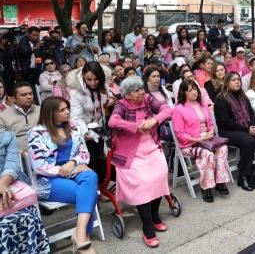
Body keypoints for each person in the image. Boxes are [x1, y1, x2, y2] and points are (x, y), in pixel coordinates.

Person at [28, 97, 99, 253]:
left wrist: (73, 162)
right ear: (50, 113)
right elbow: (39, 166)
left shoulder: (73, 128)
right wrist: (69, 169)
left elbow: (84, 154)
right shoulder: (36, 133)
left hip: (73, 171)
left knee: (91, 176)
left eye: (67, 108)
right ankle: (84, 238)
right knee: (89, 192)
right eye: (62, 110)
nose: (67, 111)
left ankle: (79, 235)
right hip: (49, 179)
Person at [109, 76, 173, 248]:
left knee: (160, 176)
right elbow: (113, 121)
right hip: (131, 153)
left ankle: (154, 216)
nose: (141, 93)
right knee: (144, 183)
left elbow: (167, 109)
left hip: (151, 147)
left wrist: (154, 120)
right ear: (128, 94)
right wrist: (135, 126)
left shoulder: (147, 99)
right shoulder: (121, 104)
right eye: (136, 91)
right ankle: (147, 226)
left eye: (141, 89)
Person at [214, 72, 255, 191]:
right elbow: (225, 122)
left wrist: (252, 126)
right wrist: (247, 130)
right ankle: (244, 176)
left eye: (238, 80)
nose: (237, 82)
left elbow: (251, 113)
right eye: (233, 80)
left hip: (247, 127)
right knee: (249, 142)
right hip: (229, 131)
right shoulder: (221, 99)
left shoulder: (242, 96)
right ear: (227, 83)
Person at [173, 80, 230, 203]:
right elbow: (180, 134)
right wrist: (197, 139)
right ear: (184, 93)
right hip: (191, 143)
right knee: (207, 154)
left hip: (207, 139)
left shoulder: (202, 105)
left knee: (223, 148)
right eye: (190, 90)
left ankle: (220, 182)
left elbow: (209, 124)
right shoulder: (178, 109)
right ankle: (207, 186)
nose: (194, 92)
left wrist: (210, 132)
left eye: (195, 89)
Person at [1, 130, 49, 253]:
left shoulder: (7, 136)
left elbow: (12, 163)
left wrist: (2, 184)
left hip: (9, 185)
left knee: (26, 216)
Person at [68, 62, 113, 184]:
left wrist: (111, 99)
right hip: (84, 128)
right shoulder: (76, 91)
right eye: (89, 79)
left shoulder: (103, 84)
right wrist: (86, 132)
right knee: (90, 160)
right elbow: (76, 117)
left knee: (101, 159)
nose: (93, 83)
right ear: (83, 77)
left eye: (96, 79)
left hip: (99, 125)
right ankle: (92, 189)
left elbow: (108, 95)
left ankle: (101, 187)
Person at [0, 82, 40, 150]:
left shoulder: (42, 111)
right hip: (18, 155)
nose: (29, 97)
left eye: (30, 94)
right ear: (14, 99)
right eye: (23, 95)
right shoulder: (3, 117)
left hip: (44, 152)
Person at [17, 26, 43, 91]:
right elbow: (24, 53)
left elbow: (40, 55)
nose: (36, 37)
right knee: (27, 87)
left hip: (36, 68)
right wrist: (35, 48)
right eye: (34, 35)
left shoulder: (37, 41)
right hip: (26, 69)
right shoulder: (23, 41)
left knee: (35, 87)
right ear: (28, 34)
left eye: (37, 35)